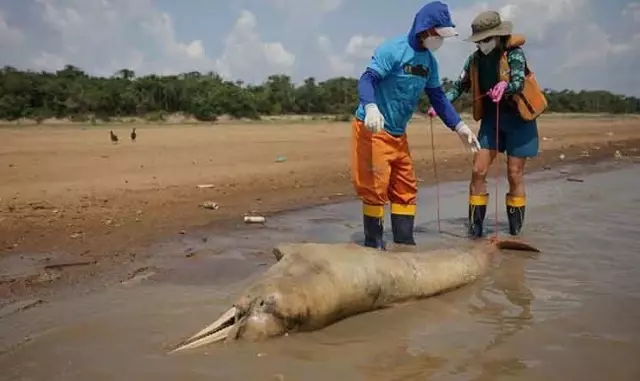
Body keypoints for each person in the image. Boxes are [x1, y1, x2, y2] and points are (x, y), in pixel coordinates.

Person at [353, 1, 481, 250]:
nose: (440, 40)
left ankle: (404, 245)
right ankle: (374, 246)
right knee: (375, 188)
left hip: (398, 135)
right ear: (425, 30)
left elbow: (439, 98)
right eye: (439, 34)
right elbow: (367, 79)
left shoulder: (430, 63)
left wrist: (459, 127)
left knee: (405, 187)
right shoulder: (393, 50)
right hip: (374, 129)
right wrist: (370, 106)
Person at [427, 10, 544, 238]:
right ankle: (475, 230)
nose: (482, 44)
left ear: (498, 36)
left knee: (514, 173)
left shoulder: (514, 55)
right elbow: (458, 87)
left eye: (486, 40)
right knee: (478, 169)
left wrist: (505, 86)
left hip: (519, 120)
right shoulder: (474, 60)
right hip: (492, 120)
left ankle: (514, 232)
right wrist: (440, 104)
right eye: (478, 41)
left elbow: (519, 81)